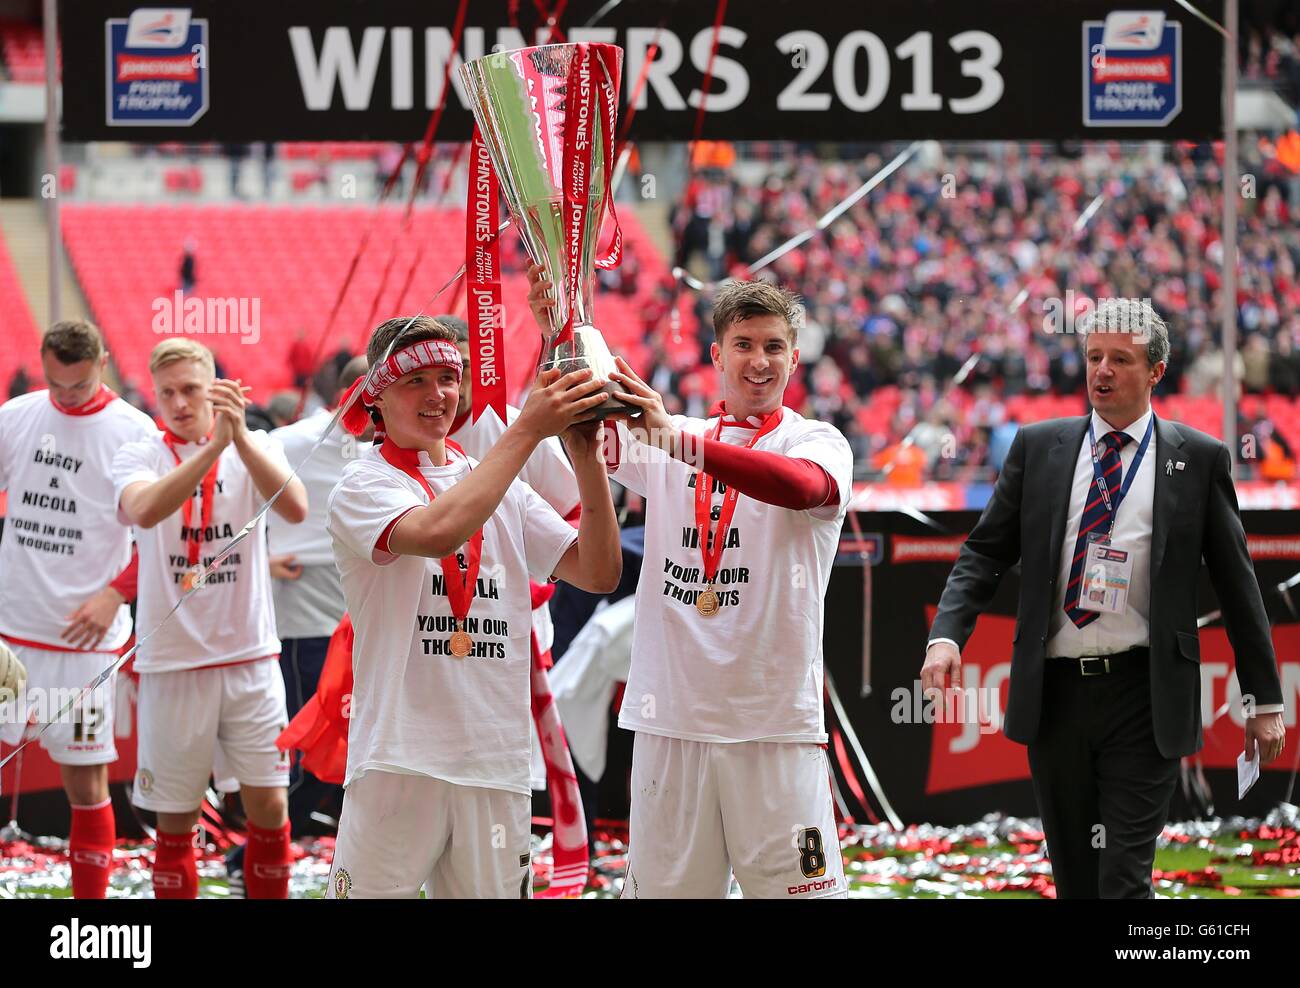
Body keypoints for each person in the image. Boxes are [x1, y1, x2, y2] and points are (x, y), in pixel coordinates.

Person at [924, 299, 1287, 899]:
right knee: (1076, 880)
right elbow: (985, 551)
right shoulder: (1038, 447)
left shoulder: (1197, 459)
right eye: (1094, 357)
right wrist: (945, 637)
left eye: (1121, 359)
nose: (1102, 371)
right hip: (1056, 697)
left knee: (1122, 879)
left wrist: (1265, 697)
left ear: (1155, 372)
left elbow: (1238, 583)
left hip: (1145, 698)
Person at [536, 272, 853, 898]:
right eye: (743, 344)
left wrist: (674, 439)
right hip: (671, 722)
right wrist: (558, 335)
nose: (758, 361)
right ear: (716, 354)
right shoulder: (671, 436)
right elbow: (578, 421)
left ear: (794, 357)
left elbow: (801, 488)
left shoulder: (815, 440)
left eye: (772, 346)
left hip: (772, 727)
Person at [324, 315, 620, 899]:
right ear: (376, 394)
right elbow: (437, 531)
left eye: (448, 378)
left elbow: (598, 570)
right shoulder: (361, 484)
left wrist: (586, 458)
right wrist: (527, 432)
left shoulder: (499, 482)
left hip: (494, 759)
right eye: (415, 382)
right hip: (398, 760)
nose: (437, 396)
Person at [112, 338, 308, 899]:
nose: (178, 403)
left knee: (269, 807)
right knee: (175, 822)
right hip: (173, 662)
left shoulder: (255, 443)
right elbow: (145, 510)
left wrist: (237, 439)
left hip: (249, 657)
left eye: (191, 389)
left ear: (215, 388)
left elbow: (295, 507)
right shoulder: (141, 452)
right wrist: (209, 448)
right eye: (166, 392)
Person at [0, 320, 156, 898]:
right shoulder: (16, 416)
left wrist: (116, 592)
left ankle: (89, 910)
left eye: (78, 385)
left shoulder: (133, 432)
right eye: (56, 385)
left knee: (85, 781)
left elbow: (161, 538)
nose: (66, 397)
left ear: (104, 363)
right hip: (10, 630)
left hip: (83, 643)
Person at [267, 357, 368, 836]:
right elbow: (231, 498)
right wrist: (260, 560)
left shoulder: (395, 444)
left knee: (354, 734)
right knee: (312, 735)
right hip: (306, 617)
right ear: (350, 391)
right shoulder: (290, 442)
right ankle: (261, 845)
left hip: (366, 618)